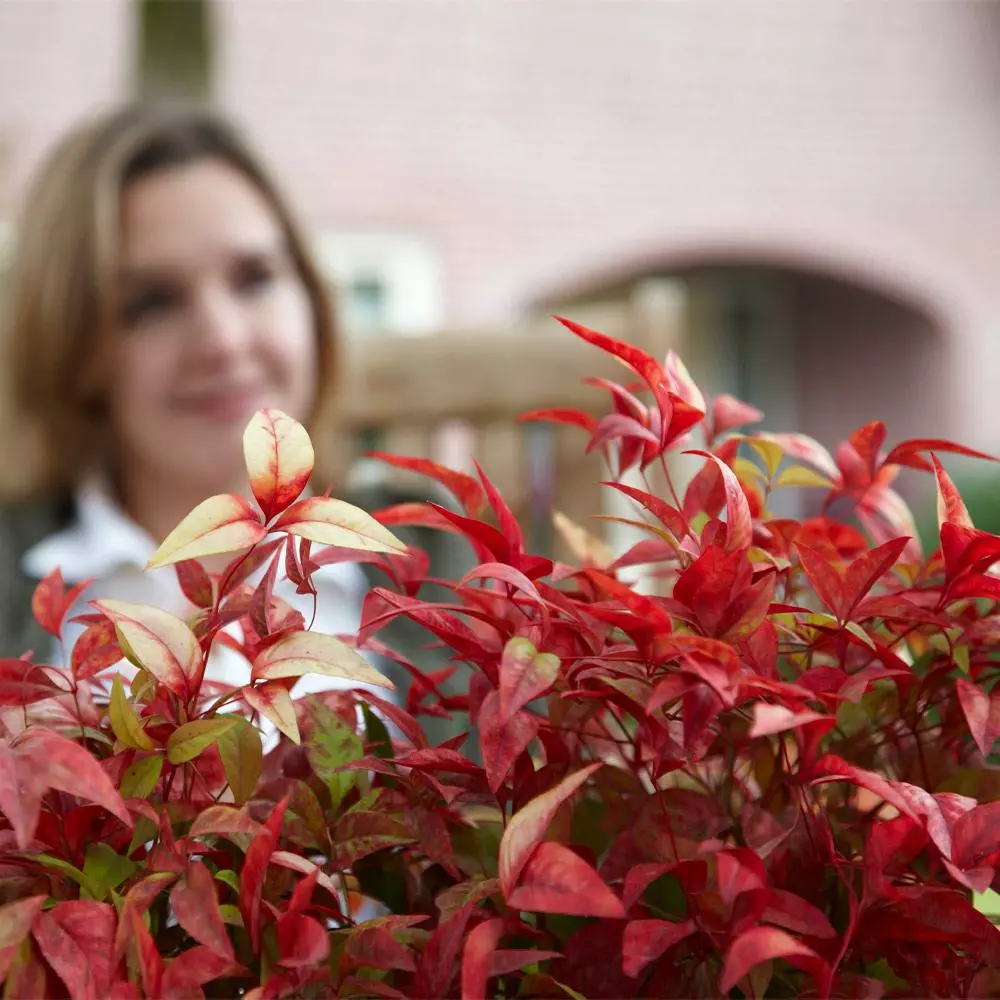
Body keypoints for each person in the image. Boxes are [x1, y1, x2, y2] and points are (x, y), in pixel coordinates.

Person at [0, 101, 376, 701]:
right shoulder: (18, 574)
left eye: (255, 277)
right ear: (74, 349)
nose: (224, 341)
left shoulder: (436, 558)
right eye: (151, 302)